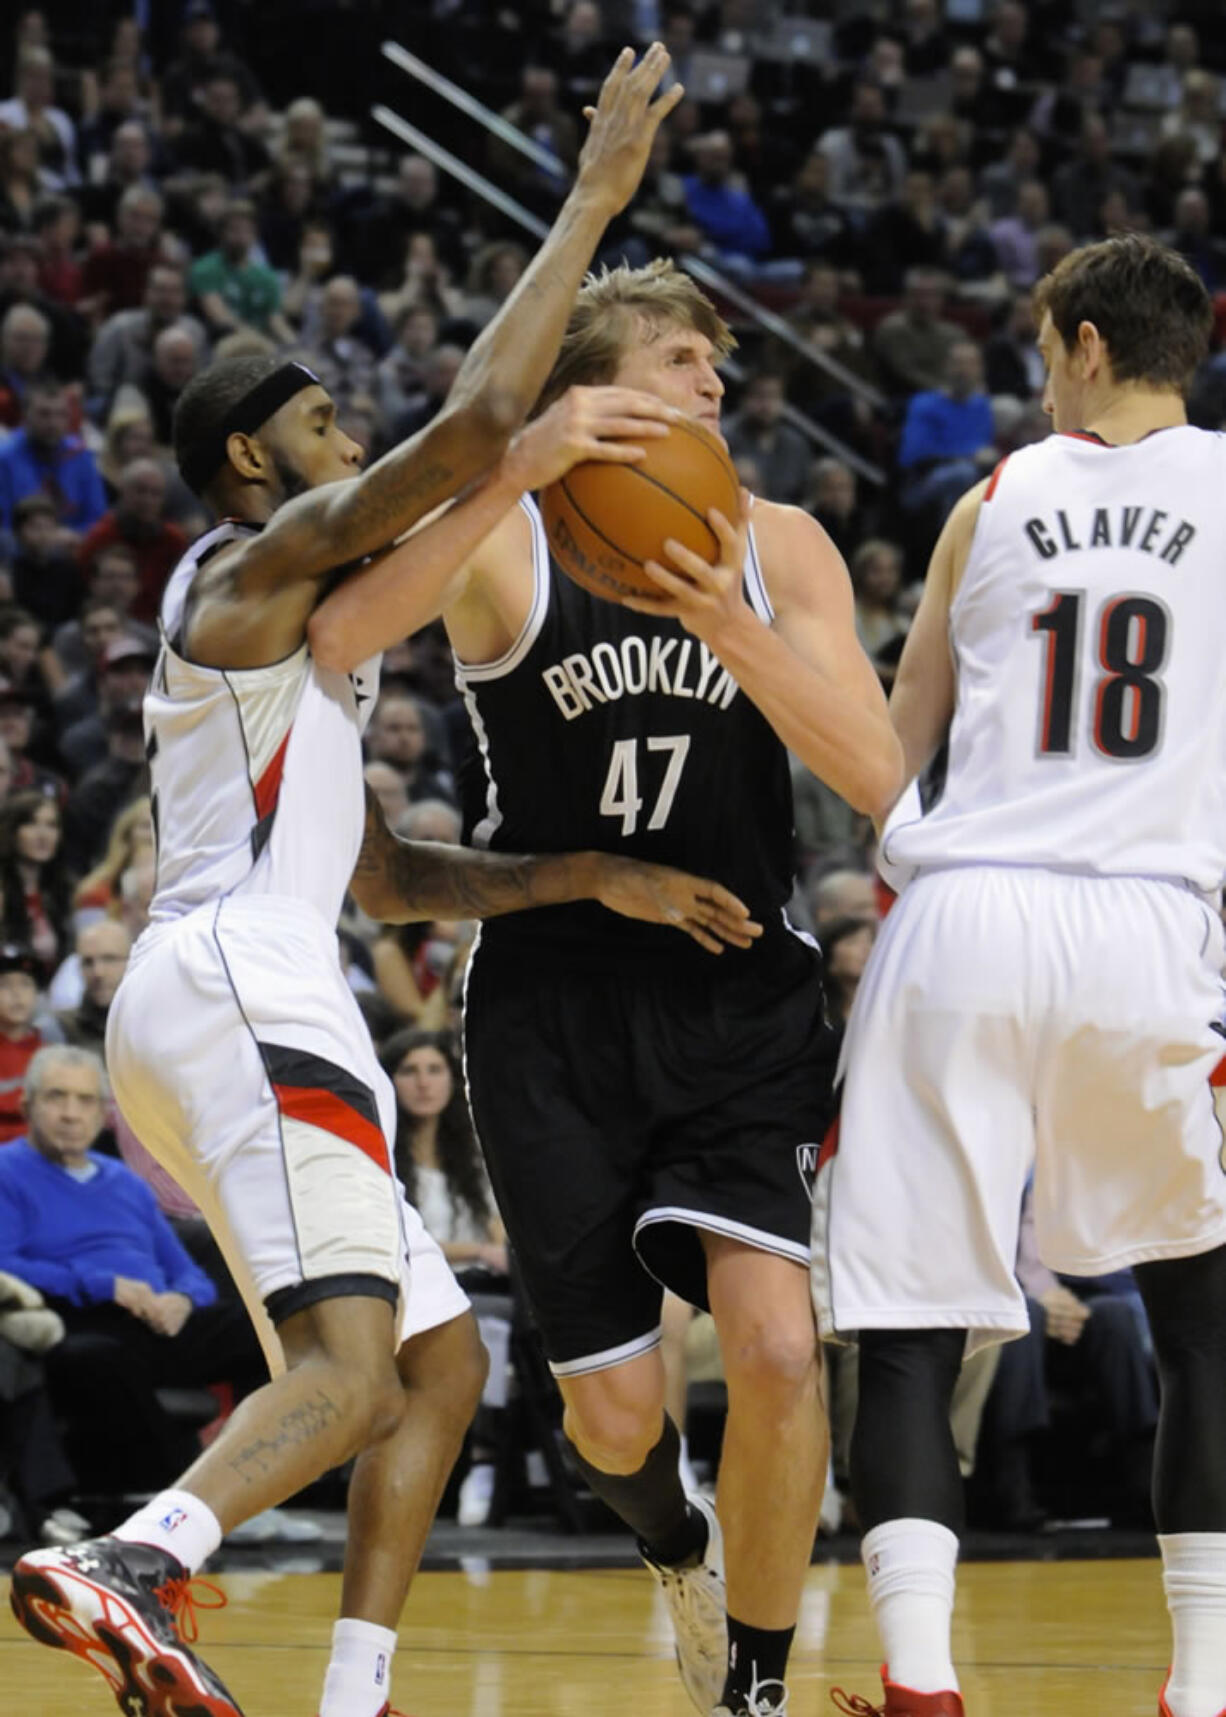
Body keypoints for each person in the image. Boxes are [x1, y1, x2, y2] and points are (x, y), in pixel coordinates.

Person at [9, 48, 716, 1717]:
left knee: (437, 1358)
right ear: (252, 466)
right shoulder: (244, 572)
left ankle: (356, 1686)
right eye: (321, 426)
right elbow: (476, 428)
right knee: (341, 1370)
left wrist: (586, 873)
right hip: (243, 987)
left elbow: (389, 872)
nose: (352, 446)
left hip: (239, 990)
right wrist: (592, 198)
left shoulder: (307, 659)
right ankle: (133, 1556)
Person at [308, 255, 902, 1717]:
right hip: (552, 1007)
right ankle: (673, 1544)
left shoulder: (781, 546)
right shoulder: (511, 541)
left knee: (772, 1347)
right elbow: (338, 636)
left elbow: (880, 778)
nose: (718, 381)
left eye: (718, 361)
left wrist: (731, 624)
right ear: (597, 392)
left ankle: (756, 1685)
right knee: (616, 1414)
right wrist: (512, 470)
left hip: (734, 987)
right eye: (685, 358)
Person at [815, 235, 1226, 1717]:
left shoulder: (987, 501)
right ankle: (1205, 1687)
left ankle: (918, 1685)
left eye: (1047, 347)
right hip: (1147, 923)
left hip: (965, 920)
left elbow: (889, 749)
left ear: (1088, 346)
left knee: (915, 1331)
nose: (1039, 373)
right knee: (1196, 1320)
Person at [0, 1045, 266, 1496]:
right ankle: (180, 1494)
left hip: (155, 1322)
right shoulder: (7, 1171)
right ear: (28, 1105)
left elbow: (190, 1274)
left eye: (85, 1101)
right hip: (71, 1322)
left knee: (264, 1329)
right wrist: (102, 1285)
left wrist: (181, 1301)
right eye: (56, 1098)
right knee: (94, 1358)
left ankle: (254, 1484)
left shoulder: (125, 1182)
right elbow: (5, 1265)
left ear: (102, 1113)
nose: (71, 1114)